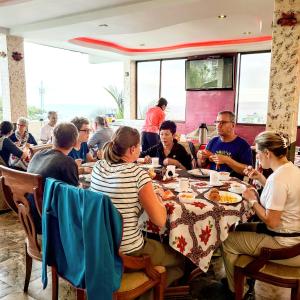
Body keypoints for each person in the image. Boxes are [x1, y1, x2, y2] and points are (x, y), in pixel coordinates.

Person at [90, 126, 184, 287]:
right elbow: (160, 221)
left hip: (100, 244)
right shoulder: (137, 173)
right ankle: (148, 291)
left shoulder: (99, 166)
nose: (140, 149)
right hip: (128, 250)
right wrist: (158, 196)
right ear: (132, 149)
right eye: (139, 146)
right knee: (181, 259)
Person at [222, 131, 300, 298]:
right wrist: (261, 178)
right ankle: (241, 277)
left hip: (285, 245)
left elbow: (272, 222)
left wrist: (252, 201)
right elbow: (280, 197)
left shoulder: (278, 179)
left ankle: (236, 291)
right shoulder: (292, 170)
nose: (257, 157)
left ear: (267, 153)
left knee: (226, 240)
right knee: (239, 227)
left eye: (257, 153)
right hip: (294, 236)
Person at [27, 122, 80, 233]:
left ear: (52, 138)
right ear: (75, 143)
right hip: (49, 222)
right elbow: (75, 199)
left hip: (29, 217)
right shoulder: (67, 162)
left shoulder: (37, 155)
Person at [197, 111, 252, 179]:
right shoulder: (213, 141)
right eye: (217, 122)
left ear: (233, 125)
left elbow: (249, 171)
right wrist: (201, 159)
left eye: (223, 122)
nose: (219, 125)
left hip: (232, 186)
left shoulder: (243, 145)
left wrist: (227, 160)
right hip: (211, 182)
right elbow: (202, 166)